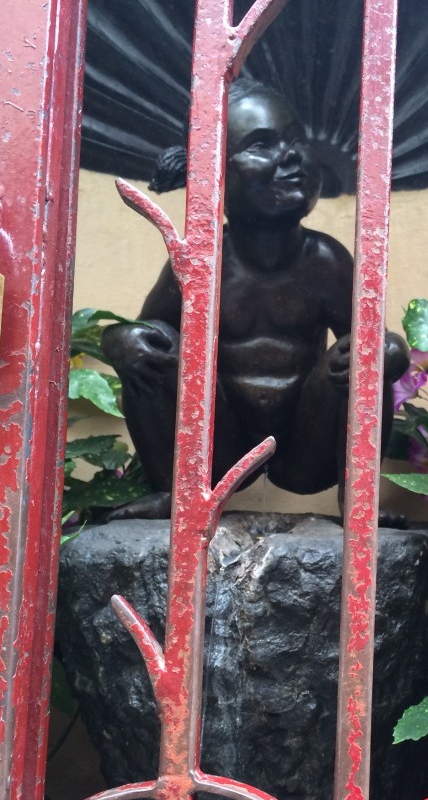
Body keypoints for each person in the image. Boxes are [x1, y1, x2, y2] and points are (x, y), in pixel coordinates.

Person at [102, 79, 409, 519]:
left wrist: (390, 351)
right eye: (262, 145)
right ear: (214, 174)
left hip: (307, 447)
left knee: (368, 351)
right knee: (151, 346)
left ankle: (358, 498)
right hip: (218, 449)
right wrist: (122, 341)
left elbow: (373, 341)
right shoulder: (203, 262)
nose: (292, 157)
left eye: (297, 141)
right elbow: (147, 328)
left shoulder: (325, 261)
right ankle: (174, 490)